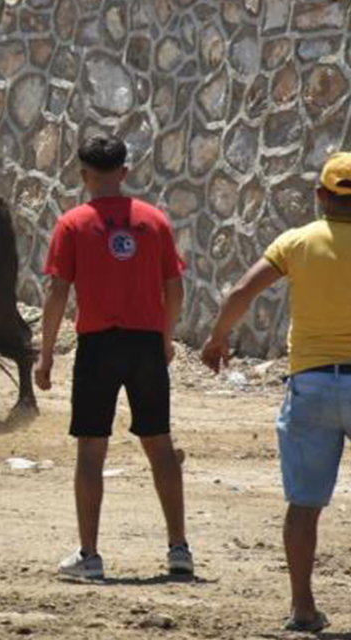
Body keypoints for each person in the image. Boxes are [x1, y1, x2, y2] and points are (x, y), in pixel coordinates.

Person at [201, 152, 351, 633]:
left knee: (305, 505)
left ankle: (303, 608)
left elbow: (242, 292)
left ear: (321, 197)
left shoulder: (297, 242)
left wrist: (217, 339)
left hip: (309, 384)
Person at [36, 134, 192, 580]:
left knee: (91, 450)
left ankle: (90, 555)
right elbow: (175, 287)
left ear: (83, 176)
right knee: (159, 444)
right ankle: (179, 548)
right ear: (124, 172)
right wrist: (165, 337)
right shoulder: (154, 221)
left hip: (98, 345)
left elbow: (58, 292)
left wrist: (45, 355)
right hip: (144, 343)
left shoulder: (72, 224)